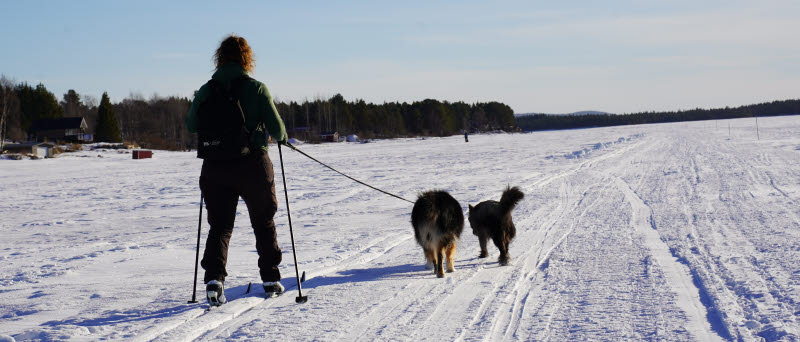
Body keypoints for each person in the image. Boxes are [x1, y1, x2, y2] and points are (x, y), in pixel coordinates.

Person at [185, 34, 288, 305]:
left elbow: (190, 125)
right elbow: (277, 129)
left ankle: (214, 280)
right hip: (253, 164)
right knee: (263, 221)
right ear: (246, 58)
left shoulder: (207, 90)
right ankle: (270, 279)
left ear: (219, 58)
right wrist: (283, 137)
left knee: (219, 226)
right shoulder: (256, 88)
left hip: (215, 167)